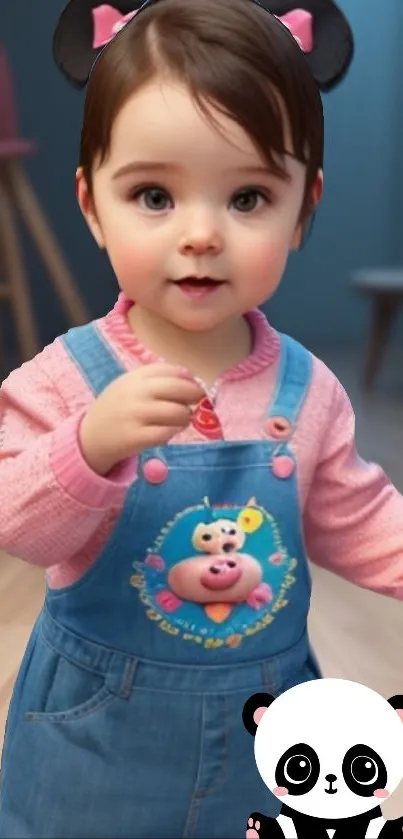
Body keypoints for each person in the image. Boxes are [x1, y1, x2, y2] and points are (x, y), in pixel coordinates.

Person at [0, 1, 391, 837]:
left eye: (248, 197)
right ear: (92, 204)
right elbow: (16, 522)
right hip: (96, 737)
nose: (201, 234)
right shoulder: (65, 377)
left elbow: (355, 517)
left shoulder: (308, 388)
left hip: (269, 720)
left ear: (302, 209)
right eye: (153, 194)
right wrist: (86, 446)